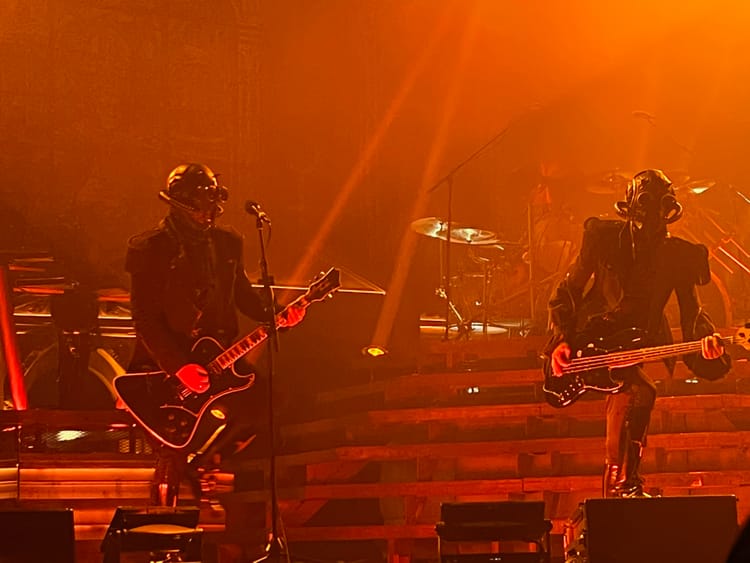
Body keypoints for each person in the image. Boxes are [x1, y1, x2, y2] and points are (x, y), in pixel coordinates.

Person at [125, 162, 305, 506]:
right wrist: (177, 366)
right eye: (200, 203)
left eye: (212, 202)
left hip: (218, 360)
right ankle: (164, 531)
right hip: (165, 372)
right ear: (179, 204)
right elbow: (144, 318)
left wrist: (280, 315)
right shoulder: (150, 248)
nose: (208, 212)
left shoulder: (228, 243)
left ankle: (205, 461)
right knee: (172, 446)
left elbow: (243, 296)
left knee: (268, 405)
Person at [545, 169, 730, 498]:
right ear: (629, 210)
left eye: (658, 219)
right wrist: (561, 340)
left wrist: (708, 344)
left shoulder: (680, 256)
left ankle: (624, 483)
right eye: (643, 216)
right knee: (638, 391)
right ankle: (621, 484)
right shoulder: (601, 238)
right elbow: (567, 291)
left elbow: (693, 313)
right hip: (589, 341)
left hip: (634, 345)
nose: (649, 229)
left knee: (639, 391)